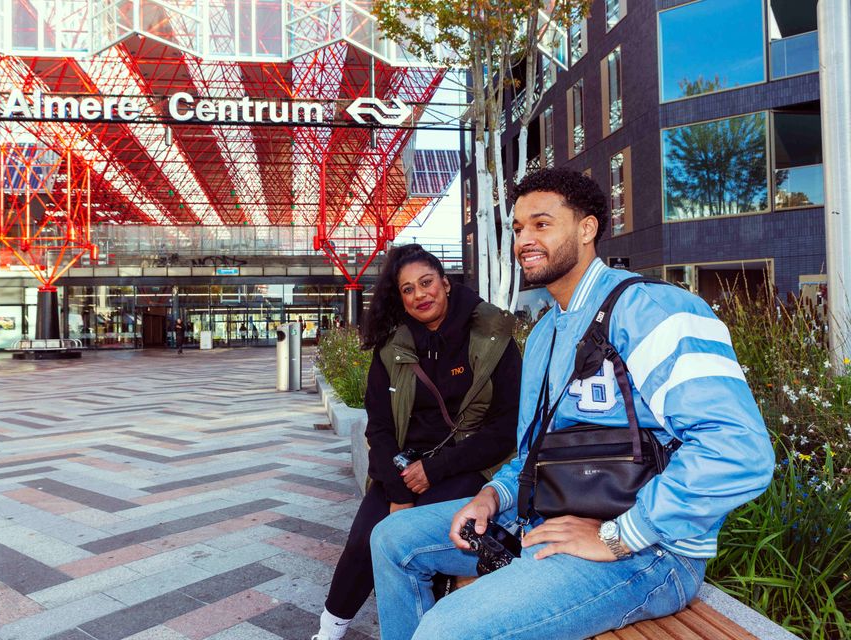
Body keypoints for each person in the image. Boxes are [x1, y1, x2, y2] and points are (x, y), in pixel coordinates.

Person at [370, 169, 774, 640]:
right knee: (391, 539)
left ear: (587, 229)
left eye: (542, 224)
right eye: (518, 228)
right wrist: (493, 496)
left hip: (649, 551)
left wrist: (620, 535)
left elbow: (738, 449)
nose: (524, 239)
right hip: (546, 519)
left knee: (446, 629)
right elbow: (534, 451)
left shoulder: (650, 309)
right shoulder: (545, 332)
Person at [312, 244, 521, 640]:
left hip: (470, 462)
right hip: (403, 467)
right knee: (364, 540)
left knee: (424, 539)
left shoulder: (491, 336)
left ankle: (428, 628)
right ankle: (328, 632)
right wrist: (397, 489)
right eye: (408, 290)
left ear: (445, 283)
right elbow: (380, 428)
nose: (419, 295)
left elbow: (508, 424)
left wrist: (435, 470)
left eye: (426, 283)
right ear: (400, 298)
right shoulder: (393, 347)